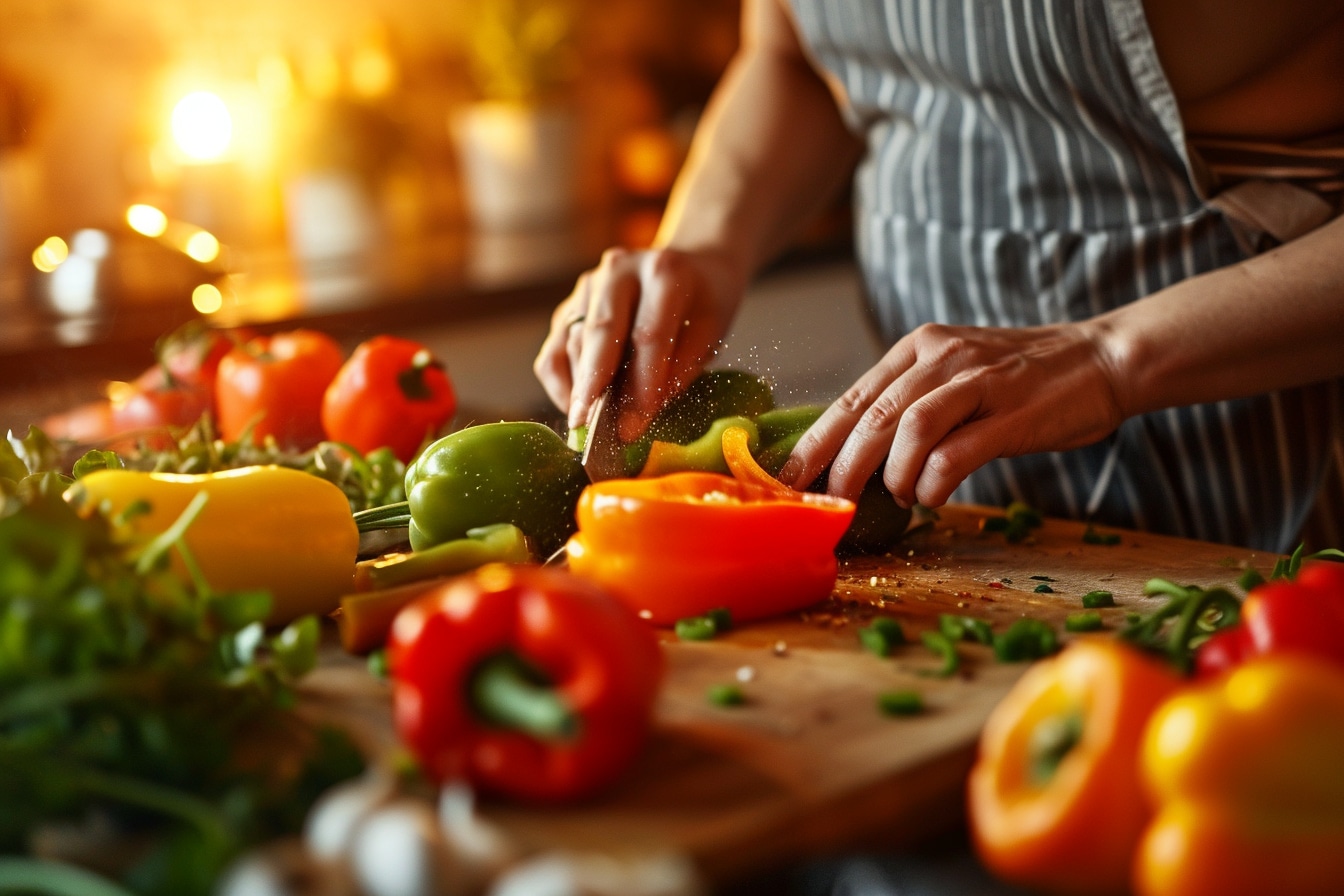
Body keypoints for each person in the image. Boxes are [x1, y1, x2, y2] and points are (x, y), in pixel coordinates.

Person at [534, 0, 1344, 554]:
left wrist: (1109, 355)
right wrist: (704, 245)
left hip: (1274, 499)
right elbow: (794, 56)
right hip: (959, 516)